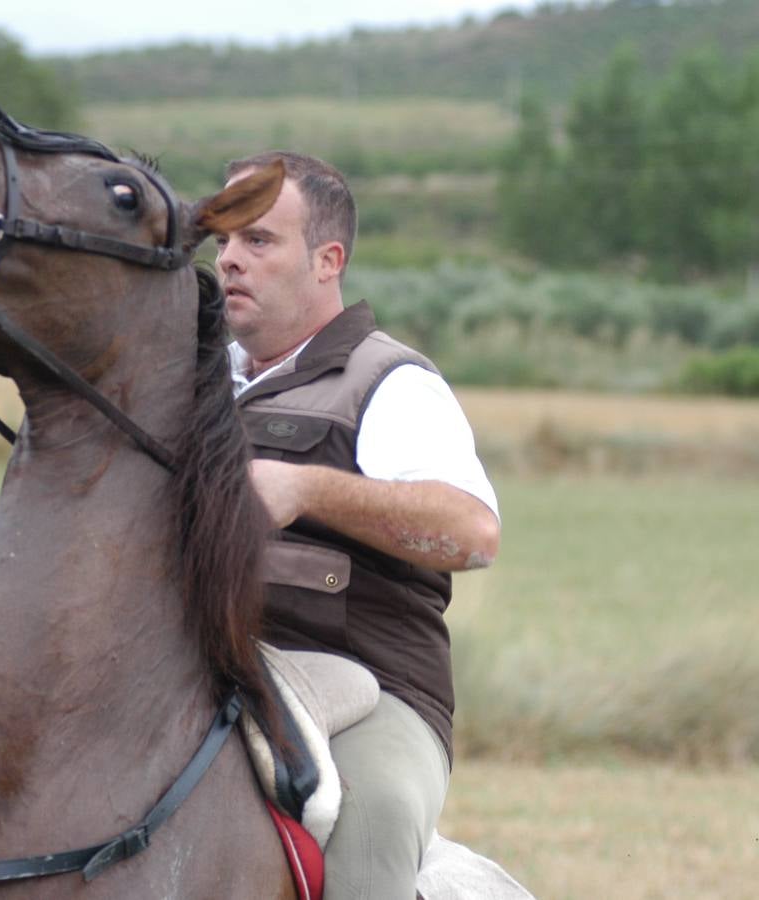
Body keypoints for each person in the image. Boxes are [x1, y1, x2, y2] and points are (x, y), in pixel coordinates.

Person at [215, 151, 501, 900]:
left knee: (367, 827)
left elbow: (471, 534)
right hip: (201, 671)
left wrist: (306, 487)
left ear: (326, 260)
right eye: (221, 243)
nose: (229, 261)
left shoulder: (389, 383)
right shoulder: (190, 381)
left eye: (258, 241)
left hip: (372, 691)